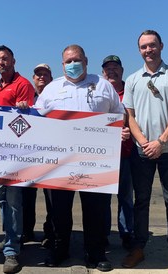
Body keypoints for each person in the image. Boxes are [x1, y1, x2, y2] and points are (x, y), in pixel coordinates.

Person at [34, 44, 130, 272]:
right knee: (59, 210)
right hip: (59, 163)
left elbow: (120, 114)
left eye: (77, 60)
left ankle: (95, 254)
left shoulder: (103, 86)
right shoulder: (51, 89)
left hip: (95, 162)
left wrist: (120, 130)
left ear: (86, 61)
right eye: (68, 61)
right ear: (62, 64)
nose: (73, 64)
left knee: (95, 209)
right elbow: (35, 119)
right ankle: (59, 250)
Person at [121, 30, 168, 274]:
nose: (148, 50)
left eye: (152, 45)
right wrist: (143, 142)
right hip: (142, 152)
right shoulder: (132, 80)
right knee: (140, 201)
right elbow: (130, 116)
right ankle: (139, 247)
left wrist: (160, 141)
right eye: (143, 47)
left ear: (161, 46)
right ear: (139, 50)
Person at [0, 45, 34, 274]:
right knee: (1, 199)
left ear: (13, 60)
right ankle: (9, 239)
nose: (1, 63)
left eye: (5, 59)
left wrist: (24, 110)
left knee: (14, 202)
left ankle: (12, 251)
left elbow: (27, 123)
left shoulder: (23, 85)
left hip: (15, 154)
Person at [101, 55, 134, 249]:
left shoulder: (130, 92)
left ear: (122, 70)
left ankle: (127, 233)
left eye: (115, 67)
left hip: (125, 154)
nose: (111, 71)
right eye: (107, 68)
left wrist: (129, 130)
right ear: (103, 71)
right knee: (103, 199)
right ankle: (103, 233)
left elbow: (137, 118)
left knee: (125, 197)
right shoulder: (98, 91)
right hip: (103, 155)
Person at [21, 63, 54, 247]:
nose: (41, 77)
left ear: (50, 77)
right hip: (29, 156)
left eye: (45, 74)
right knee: (26, 197)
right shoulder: (26, 97)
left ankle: (50, 232)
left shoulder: (56, 98)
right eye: (38, 74)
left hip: (51, 157)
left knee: (52, 199)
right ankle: (26, 231)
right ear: (33, 78)